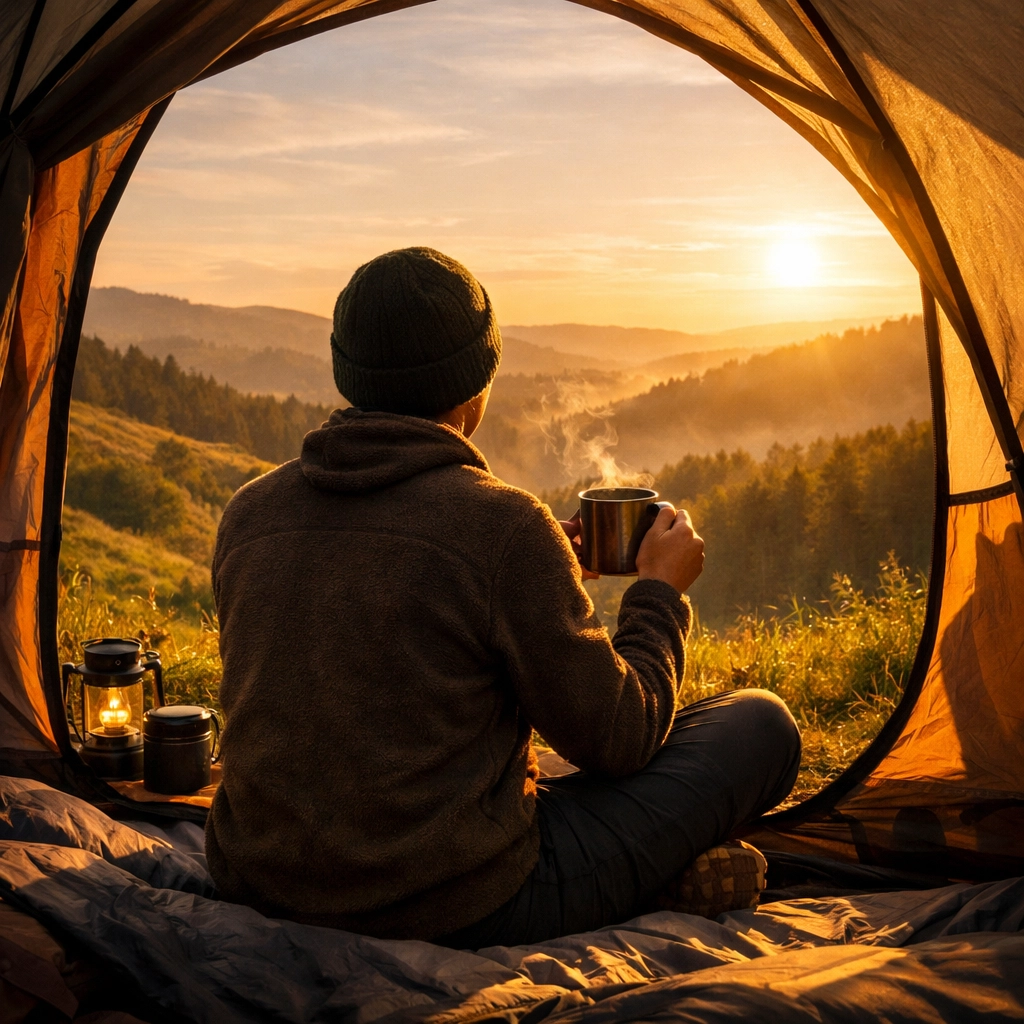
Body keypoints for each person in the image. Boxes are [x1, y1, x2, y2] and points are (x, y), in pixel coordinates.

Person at [205, 246, 801, 946]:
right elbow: (620, 739)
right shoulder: (503, 526)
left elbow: (363, 646)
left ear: (348, 375)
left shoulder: (250, 513)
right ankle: (648, 881)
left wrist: (538, 582)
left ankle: (650, 876)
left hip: (257, 879)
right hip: (453, 901)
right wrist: (660, 594)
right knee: (761, 726)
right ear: (476, 383)